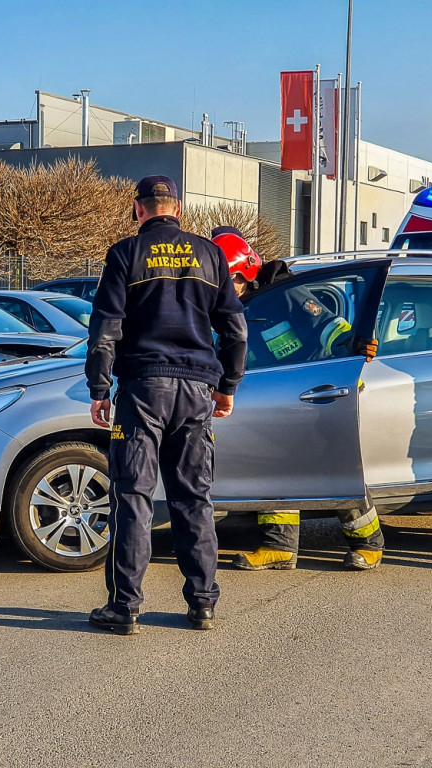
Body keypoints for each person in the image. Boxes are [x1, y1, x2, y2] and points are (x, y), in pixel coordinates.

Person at [86, 175, 248, 635]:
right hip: (196, 390)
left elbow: (105, 330)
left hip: (142, 389)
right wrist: (228, 385)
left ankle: (125, 607)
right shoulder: (212, 254)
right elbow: (235, 330)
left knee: (133, 496)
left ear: (139, 209)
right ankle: (202, 604)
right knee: (193, 496)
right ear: (178, 208)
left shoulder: (124, 254)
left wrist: (99, 389)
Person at [213, 231, 385, 572]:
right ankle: (279, 546)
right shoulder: (222, 303)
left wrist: (354, 345)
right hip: (269, 396)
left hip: (312, 389)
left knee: (329, 466)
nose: (221, 287)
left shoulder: (283, 295)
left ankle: (369, 543)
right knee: (273, 467)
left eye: (227, 280)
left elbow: (328, 327)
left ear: (245, 273)